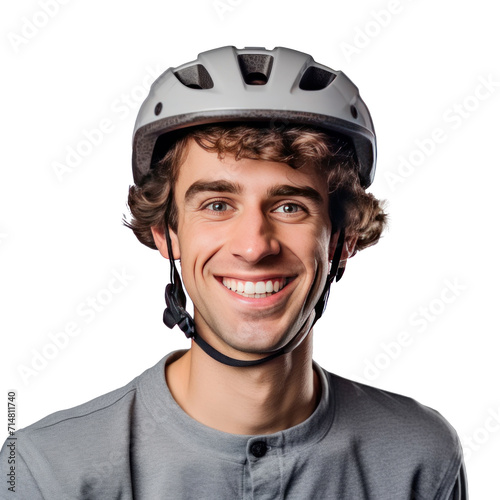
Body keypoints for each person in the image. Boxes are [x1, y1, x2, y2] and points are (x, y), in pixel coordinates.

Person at [0, 46, 467, 499]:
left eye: (289, 206)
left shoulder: (419, 459)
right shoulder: (46, 470)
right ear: (166, 233)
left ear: (342, 240)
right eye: (217, 205)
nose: (253, 246)